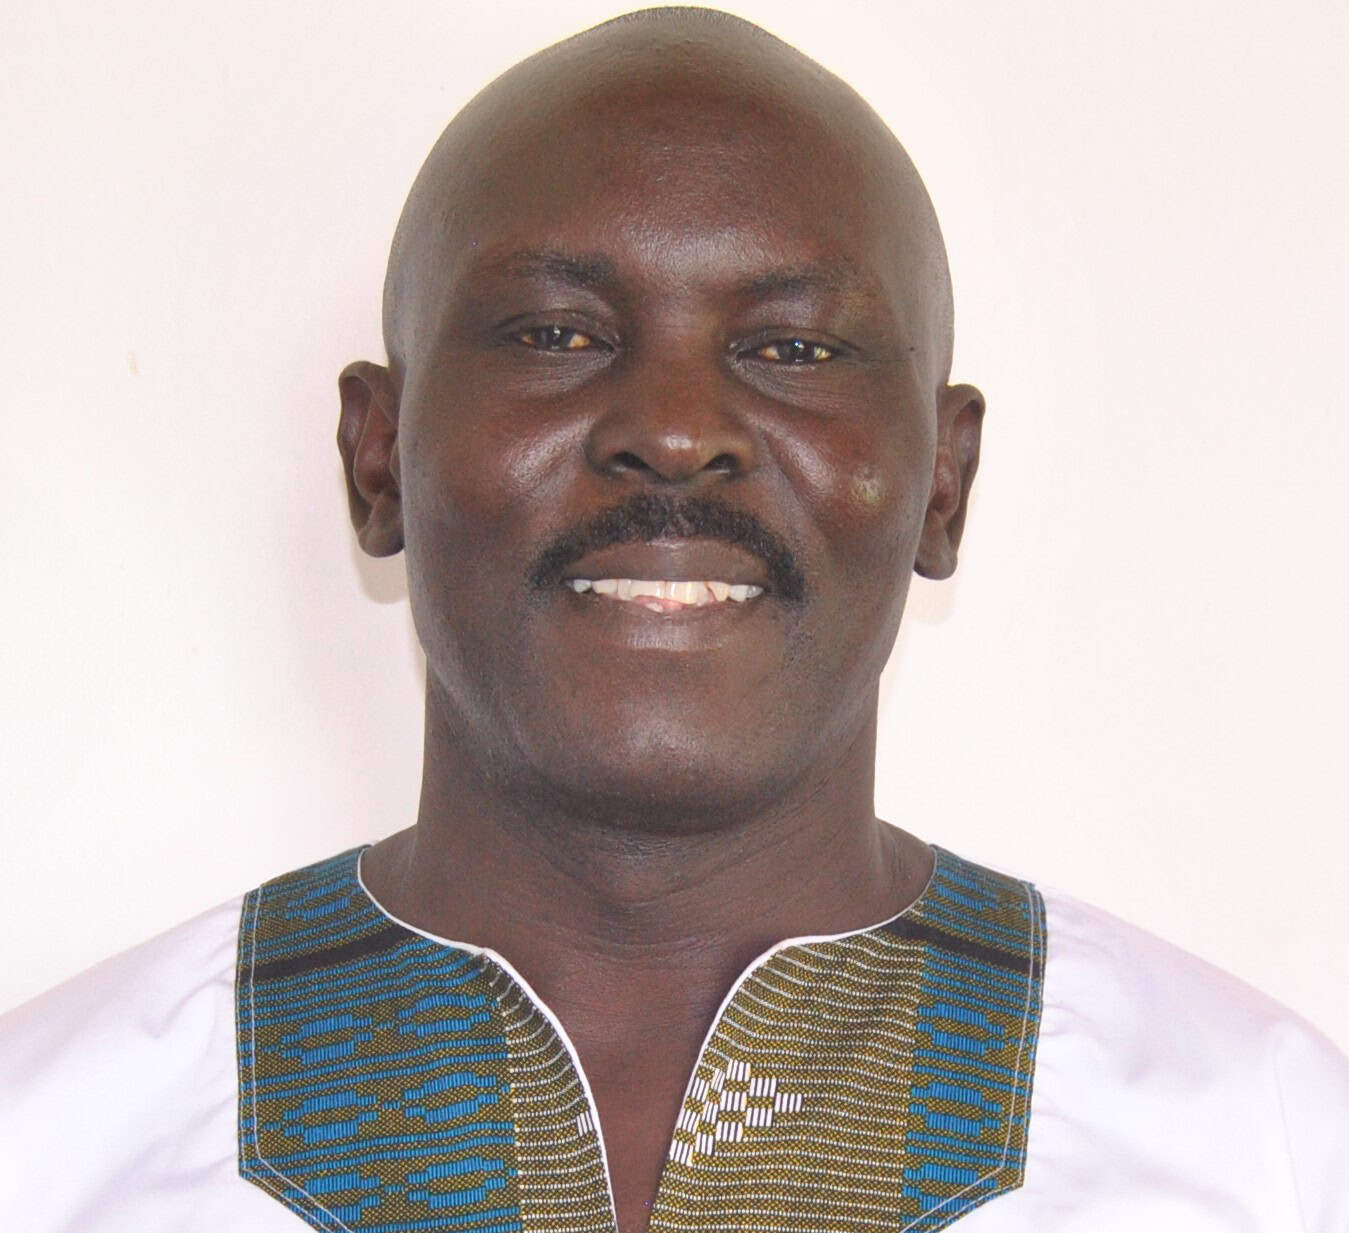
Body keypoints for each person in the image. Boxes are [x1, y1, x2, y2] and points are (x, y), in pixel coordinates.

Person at [2, 8, 1346, 1232]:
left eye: (792, 348)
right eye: (556, 334)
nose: (675, 431)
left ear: (941, 484)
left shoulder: (1265, 1152)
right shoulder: (46, 1148)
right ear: (377, 458)